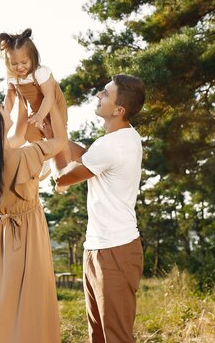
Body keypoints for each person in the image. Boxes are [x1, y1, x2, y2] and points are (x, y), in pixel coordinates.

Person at [0, 96, 66, 343]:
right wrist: (52, 108)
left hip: (5, 235)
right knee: (32, 301)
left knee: (6, 299)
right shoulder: (23, 156)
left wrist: (19, 99)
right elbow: (60, 142)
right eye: (0, 108)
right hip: (29, 233)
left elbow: (17, 133)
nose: (3, 106)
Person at [55, 74, 146, 343]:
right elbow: (86, 158)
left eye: (105, 93)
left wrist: (49, 147)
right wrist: (56, 138)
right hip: (97, 247)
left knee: (115, 337)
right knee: (99, 336)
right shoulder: (122, 139)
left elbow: (63, 178)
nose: (98, 95)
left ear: (119, 110)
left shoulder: (112, 145)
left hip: (114, 251)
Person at [0, 28, 71, 178]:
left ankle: (56, 161)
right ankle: (42, 158)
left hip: (53, 106)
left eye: (24, 62)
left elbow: (49, 96)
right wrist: (5, 113)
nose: (19, 67)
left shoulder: (40, 72)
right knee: (31, 134)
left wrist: (40, 115)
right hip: (37, 111)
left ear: (33, 59)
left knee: (57, 134)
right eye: (14, 63)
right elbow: (10, 96)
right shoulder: (13, 76)